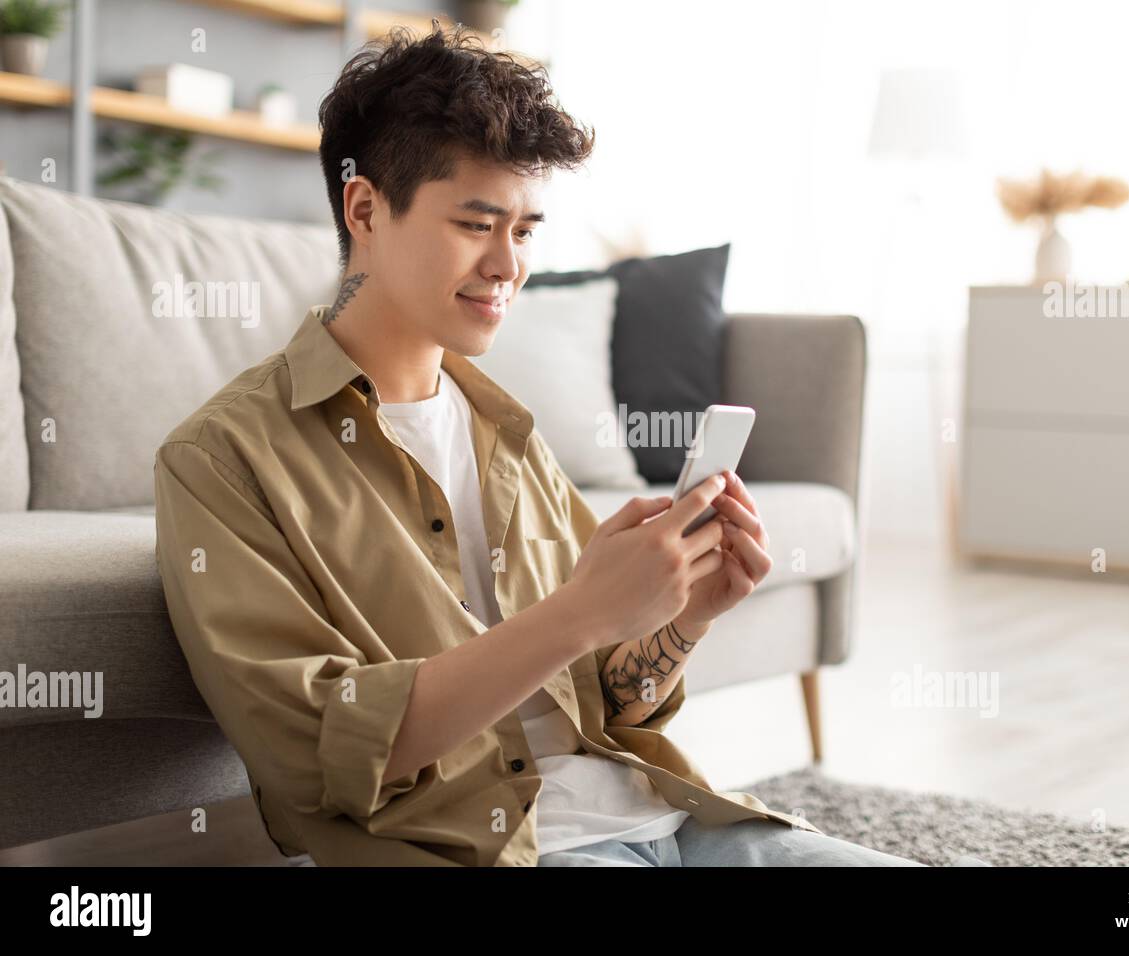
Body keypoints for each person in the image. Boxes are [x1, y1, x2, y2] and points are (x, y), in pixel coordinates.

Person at [154, 22, 958, 868]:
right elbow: (321, 758)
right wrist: (578, 612)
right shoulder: (224, 460)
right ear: (366, 209)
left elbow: (605, 703)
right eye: (476, 223)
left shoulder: (507, 433)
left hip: (674, 821)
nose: (508, 265)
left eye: (527, 231)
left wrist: (684, 620)